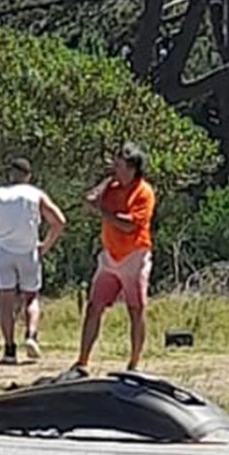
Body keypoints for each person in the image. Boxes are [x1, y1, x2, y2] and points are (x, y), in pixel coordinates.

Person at [65, 143, 156, 378]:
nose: (115, 168)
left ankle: (134, 364)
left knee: (135, 309)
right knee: (94, 306)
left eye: (119, 165)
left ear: (132, 168)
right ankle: (82, 361)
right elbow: (88, 201)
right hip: (110, 255)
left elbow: (129, 224)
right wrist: (104, 184)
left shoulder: (144, 192)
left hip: (134, 254)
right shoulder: (112, 186)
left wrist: (103, 211)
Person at [0, 158, 67, 364]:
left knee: (6, 300)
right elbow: (59, 221)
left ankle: (9, 349)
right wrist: (46, 245)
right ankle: (31, 335)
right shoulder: (36, 195)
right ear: (28, 176)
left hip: (4, 251)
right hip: (29, 251)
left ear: (10, 174)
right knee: (31, 298)